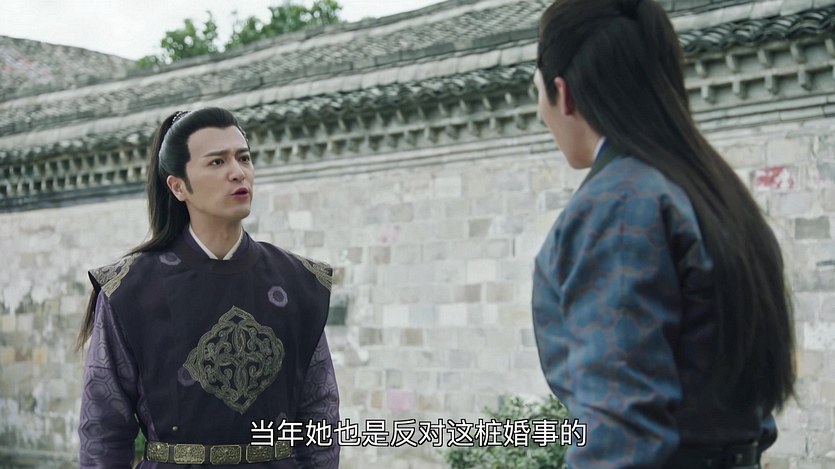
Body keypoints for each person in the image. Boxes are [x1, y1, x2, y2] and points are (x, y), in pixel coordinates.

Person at [531, 1, 795, 467]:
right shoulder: (718, 193)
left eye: (537, 93)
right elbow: (753, 409)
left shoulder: (619, 204)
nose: (540, 113)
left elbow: (619, 434)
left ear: (563, 93)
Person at [76, 107, 339, 468]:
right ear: (178, 186)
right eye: (217, 162)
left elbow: (319, 415)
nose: (238, 172)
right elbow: (103, 429)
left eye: (243, 158)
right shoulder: (129, 290)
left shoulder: (298, 282)